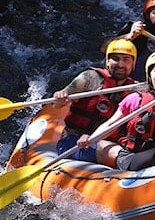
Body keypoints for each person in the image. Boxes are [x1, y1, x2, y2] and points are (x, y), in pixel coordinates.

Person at [52, 39, 138, 167]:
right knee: (115, 151)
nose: (120, 64)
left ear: (133, 64)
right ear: (107, 61)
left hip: (106, 141)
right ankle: (132, 164)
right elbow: (57, 104)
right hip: (73, 142)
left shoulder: (135, 89)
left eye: (126, 60)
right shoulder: (90, 78)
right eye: (115, 59)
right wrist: (60, 98)